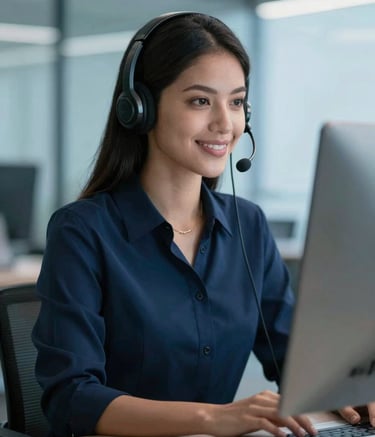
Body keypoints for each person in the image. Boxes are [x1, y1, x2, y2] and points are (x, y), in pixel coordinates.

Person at [31, 11, 371, 437]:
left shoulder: (247, 225)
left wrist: (344, 392)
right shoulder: (82, 232)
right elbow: (71, 398)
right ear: (141, 108)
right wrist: (214, 417)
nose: (224, 124)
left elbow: (296, 359)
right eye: (200, 101)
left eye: (235, 102)